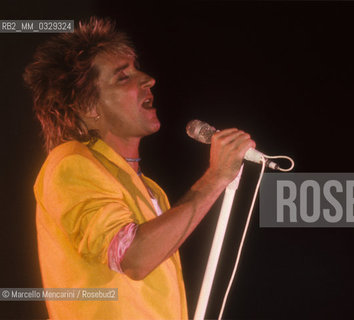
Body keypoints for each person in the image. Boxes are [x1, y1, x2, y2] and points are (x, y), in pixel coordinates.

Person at [23, 17, 255, 320]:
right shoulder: (70, 162)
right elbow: (134, 257)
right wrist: (215, 178)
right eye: (123, 77)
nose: (148, 79)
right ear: (88, 107)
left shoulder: (151, 190)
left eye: (137, 69)